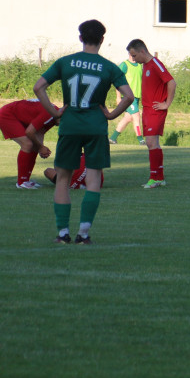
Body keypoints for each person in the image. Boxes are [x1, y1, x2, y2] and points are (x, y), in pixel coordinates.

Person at [33, 19, 134, 244]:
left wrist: (54, 111)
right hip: (96, 127)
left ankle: (62, 234)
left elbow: (38, 87)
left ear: (80, 38)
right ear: (102, 40)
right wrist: (111, 115)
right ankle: (84, 233)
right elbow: (129, 96)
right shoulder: (109, 67)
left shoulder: (65, 62)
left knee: (62, 180)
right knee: (94, 178)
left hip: (69, 126)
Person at [126, 39, 176, 188]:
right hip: (147, 109)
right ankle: (159, 177)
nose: (134, 59)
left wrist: (166, 103)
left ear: (142, 51)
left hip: (155, 110)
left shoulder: (156, 64)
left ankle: (154, 178)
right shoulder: (146, 65)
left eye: (134, 55)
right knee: (153, 144)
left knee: (151, 142)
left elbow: (171, 82)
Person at [0, 98, 59, 188]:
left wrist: (40, 148)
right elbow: (29, 132)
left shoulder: (55, 115)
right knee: (27, 144)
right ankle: (21, 182)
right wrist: (40, 147)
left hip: (15, 116)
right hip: (6, 115)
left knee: (33, 146)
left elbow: (39, 132)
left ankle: (26, 180)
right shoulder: (50, 114)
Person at [109, 52, 144, 145]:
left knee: (128, 118)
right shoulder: (125, 65)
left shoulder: (140, 65)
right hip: (128, 97)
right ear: (129, 53)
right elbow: (117, 80)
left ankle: (112, 138)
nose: (134, 56)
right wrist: (118, 97)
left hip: (137, 97)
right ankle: (141, 140)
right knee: (136, 116)